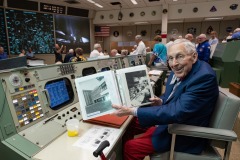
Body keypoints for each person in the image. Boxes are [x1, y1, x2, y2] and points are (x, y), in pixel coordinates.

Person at [112, 39, 219, 160]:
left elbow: (177, 112)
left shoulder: (204, 77)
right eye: (170, 58)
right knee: (130, 122)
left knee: (131, 147)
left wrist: (133, 110)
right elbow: (172, 97)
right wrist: (161, 101)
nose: (174, 63)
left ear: (194, 57)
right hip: (170, 121)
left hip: (181, 133)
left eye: (179, 57)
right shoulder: (183, 69)